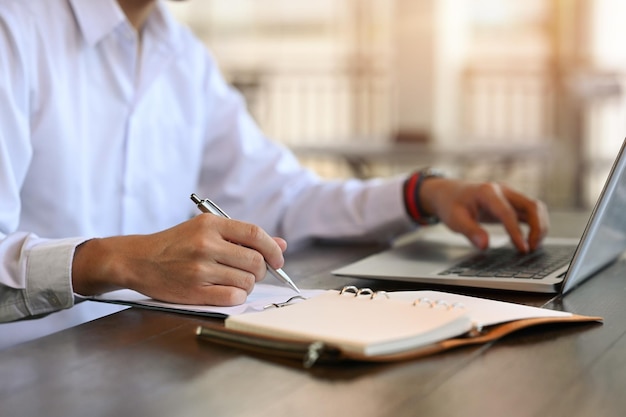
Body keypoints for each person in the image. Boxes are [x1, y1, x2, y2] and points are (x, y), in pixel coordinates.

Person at [0, 0, 548, 323]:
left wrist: (423, 193)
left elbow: (283, 198)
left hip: (139, 354)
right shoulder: (15, 28)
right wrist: (119, 261)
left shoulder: (182, 55)